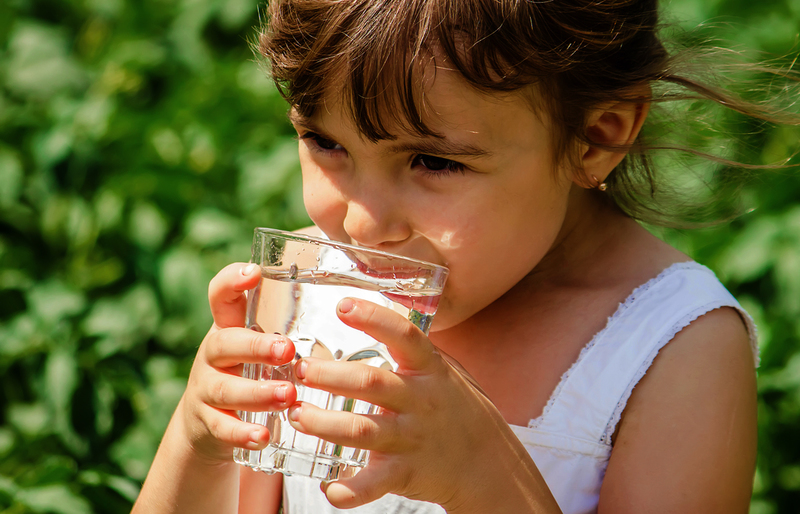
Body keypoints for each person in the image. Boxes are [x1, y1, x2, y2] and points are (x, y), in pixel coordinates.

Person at [133, 0, 793, 512]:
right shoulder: (309, 283)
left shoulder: (672, 346)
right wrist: (200, 441)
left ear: (597, 137)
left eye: (432, 161)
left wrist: (485, 478)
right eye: (326, 144)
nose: (363, 224)